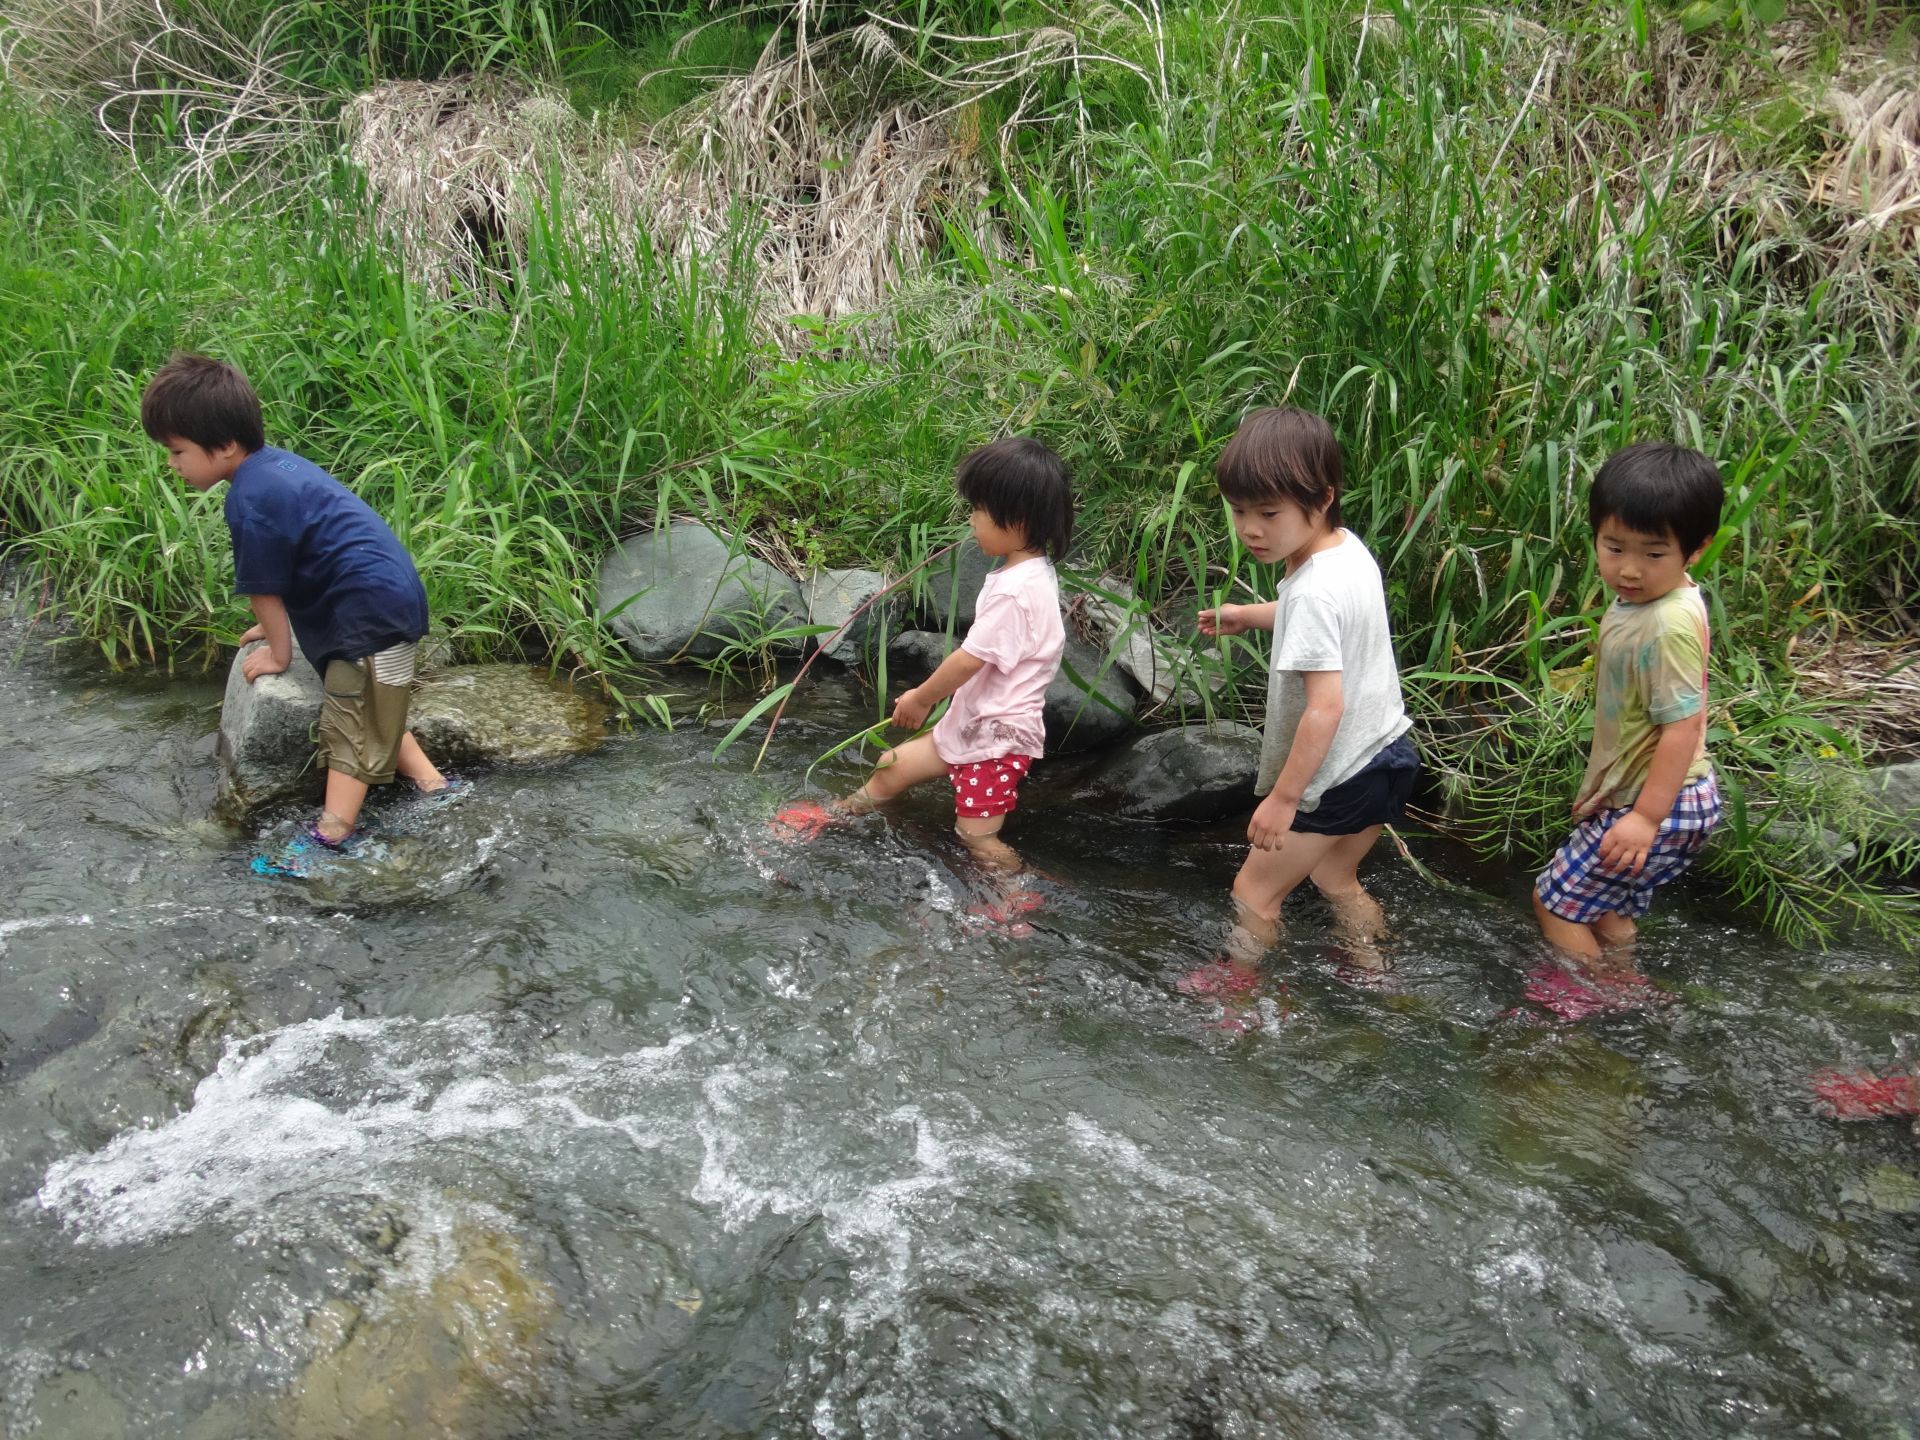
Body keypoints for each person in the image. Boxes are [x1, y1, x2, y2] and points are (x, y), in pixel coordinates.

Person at [141, 353, 454, 864]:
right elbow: (297, 559)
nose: (172, 464)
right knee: (376, 707)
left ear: (223, 446)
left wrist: (278, 652)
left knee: (351, 727)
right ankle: (434, 787)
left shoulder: (248, 498)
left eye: (177, 451)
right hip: (380, 602)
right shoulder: (274, 469)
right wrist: (266, 629)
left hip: (369, 618)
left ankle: (331, 838)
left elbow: (264, 586)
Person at [773, 437, 1073, 906]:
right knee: (893, 764)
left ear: (1016, 518)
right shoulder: (1025, 575)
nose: (971, 520)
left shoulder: (1019, 592)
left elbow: (969, 658)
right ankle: (838, 812)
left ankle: (1017, 892)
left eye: (978, 510)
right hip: (974, 724)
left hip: (995, 740)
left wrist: (920, 697)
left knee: (976, 838)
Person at [1191, 407, 1419, 987]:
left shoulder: (1313, 590)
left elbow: (1325, 706)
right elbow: (1316, 617)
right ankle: (1377, 978)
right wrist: (1249, 615)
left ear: (1320, 499)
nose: (1251, 529)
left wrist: (1285, 799)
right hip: (1389, 752)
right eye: (1240, 511)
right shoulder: (1344, 550)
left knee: (1254, 893)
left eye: (1269, 513)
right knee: (1336, 879)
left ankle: (1235, 996)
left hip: (1336, 773)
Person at [1531, 441, 1725, 975]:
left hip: (1664, 801)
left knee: (1555, 903)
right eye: (1614, 548)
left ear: (1696, 549)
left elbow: (1683, 726)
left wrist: (1643, 818)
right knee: (1605, 909)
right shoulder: (1661, 598)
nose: (1630, 570)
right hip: (1664, 795)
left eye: (1653, 553)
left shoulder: (1666, 625)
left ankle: (1587, 1007)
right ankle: (1626, 987)